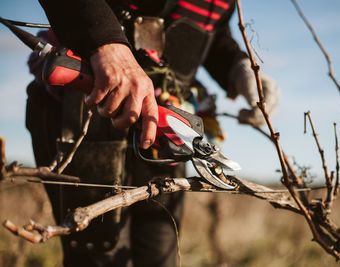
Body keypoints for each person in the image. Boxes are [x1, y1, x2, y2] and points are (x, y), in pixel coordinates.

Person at [26, 0, 279, 266]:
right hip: (84, 113)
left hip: (165, 127)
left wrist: (239, 70)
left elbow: (209, 31)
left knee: (161, 255)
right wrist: (104, 41)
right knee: (99, 254)